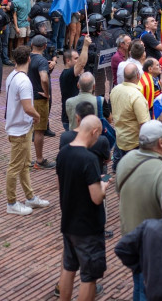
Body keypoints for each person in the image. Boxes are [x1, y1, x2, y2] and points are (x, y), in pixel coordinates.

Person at [116, 120, 162, 301]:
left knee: (139, 283)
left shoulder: (126, 160)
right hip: (153, 244)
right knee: (150, 289)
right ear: (160, 143)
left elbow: (120, 193)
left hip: (130, 235)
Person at [55, 116, 107, 301]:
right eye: (98, 135)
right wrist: (103, 187)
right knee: (89, 276)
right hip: (87, 226)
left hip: (68, 221)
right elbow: (96, 197)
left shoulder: (63, 154)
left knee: (69, 268)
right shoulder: (89, 159)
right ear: (94, 132)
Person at [4, 45, 50, 216]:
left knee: (24, 165)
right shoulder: (23, 81)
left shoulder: (12, 76)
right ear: (29, 59)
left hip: (20, 127)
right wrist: (37, 116)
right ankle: (11, 202)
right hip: (20, 130)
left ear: (15, 60)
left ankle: (30, 197)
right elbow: (27, 107)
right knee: (15, 167)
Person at [110, 63, 151, 170]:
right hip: (134, 143)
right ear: (138, 76)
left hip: (120, 139)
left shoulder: (115, 89)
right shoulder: (136, 96)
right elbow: (144, 124)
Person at [26, 35, 55, 169]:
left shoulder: (27, 58)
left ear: (32, 44)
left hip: (28, 98)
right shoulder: (42, 61)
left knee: (28, 129)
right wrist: (47, 93)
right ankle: (39, 159)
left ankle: (27, 159)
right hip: (39, 99)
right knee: (39, 131)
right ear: (44, 46)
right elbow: (44, 78)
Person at [59, 36, 91, 131]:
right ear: (68, 61)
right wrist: (85, 46)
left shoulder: (73, 74)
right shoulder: (67, 74)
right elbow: (81, 64)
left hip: (75, 116)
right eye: (76, 58)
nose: (78, 60)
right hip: (70, 119)